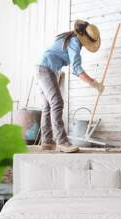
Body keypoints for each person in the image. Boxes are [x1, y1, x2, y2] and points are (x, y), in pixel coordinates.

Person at [35, 20, 104, 153]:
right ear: (84, 39)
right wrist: (95, 83)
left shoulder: (68, 37)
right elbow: (77, 69)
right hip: (46, 69)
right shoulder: (74, 42)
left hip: (40, 68)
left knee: (47, 106)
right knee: (57, 102)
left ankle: (47, 141)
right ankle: (61, 141)